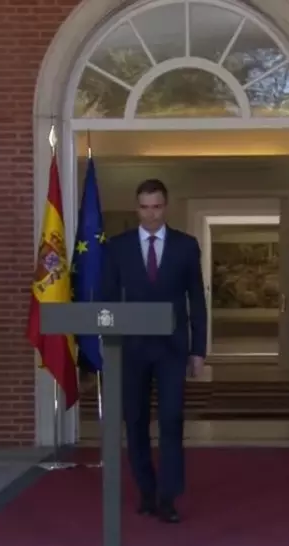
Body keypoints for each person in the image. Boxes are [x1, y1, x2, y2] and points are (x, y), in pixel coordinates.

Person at [101, 178, 207, 523]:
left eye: (157, 206)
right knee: (135, 421)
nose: (151, 214)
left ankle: (168, 496)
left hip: (172, 349)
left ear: (166, 206)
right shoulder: (117, 247)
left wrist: (198, 349)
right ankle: (146, 489)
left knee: (172, 420)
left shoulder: (186, 246)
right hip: (130, 350)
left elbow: (197, 301)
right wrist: (106, 345)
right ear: (137, 208)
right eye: (145, 207)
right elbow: (106, 300)